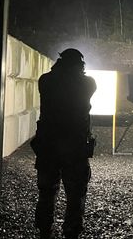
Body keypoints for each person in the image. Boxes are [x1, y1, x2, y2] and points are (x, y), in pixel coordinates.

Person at [30, 48, 97, 239]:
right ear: (79, 64)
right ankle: (71, 231)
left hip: (48, 144)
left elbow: (55, 80)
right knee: (75, 194)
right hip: (75, 146)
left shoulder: (46, 81)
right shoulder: (88, 83)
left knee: (46, 191)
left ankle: (44, 230)